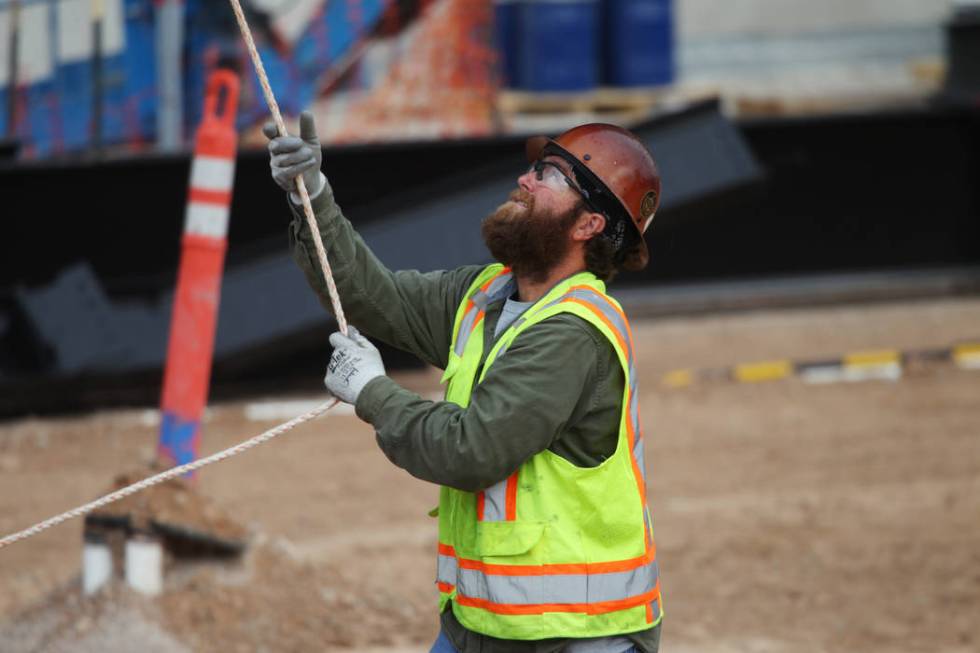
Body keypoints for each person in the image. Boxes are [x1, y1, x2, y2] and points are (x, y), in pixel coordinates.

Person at [265, 113, 663, 653]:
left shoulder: (574, 332)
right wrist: (310, 196)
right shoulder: (485, 296)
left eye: (547, 175)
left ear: (588, 224)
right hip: (485, 624)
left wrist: (372, 393)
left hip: (580, 636)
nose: (524, 180)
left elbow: (470, 450)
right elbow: (367, 295)